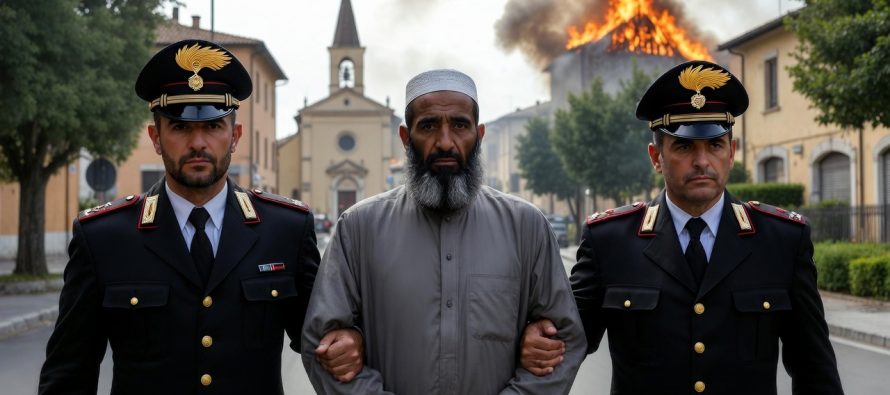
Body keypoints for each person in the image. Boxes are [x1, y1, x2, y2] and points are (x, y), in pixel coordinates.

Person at [38, 39, 361, 394]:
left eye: (213, 127)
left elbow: (322, 340)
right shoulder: (104, 237)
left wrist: (349, 338)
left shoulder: (285, 230)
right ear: (156, 137)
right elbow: (68, 373)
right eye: (179, 127)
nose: (198, 143)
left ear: (234, 136)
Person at [520, 60, 844, 394]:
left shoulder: (782, 241)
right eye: (684, 146)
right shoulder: (610, 241)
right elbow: (564, 343)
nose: (702, 160)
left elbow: (814, 368)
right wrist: (536, 339)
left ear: (731, 152)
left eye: (715, 145)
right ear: (656, 157)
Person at [301, 69, 587, 394]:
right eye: (428, 126)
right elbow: (321, 344)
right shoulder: (357, 229)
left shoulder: (527, 226)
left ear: (479, 135)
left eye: (460, 125)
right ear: (406, 137)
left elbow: (564, 341)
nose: (445, 142)